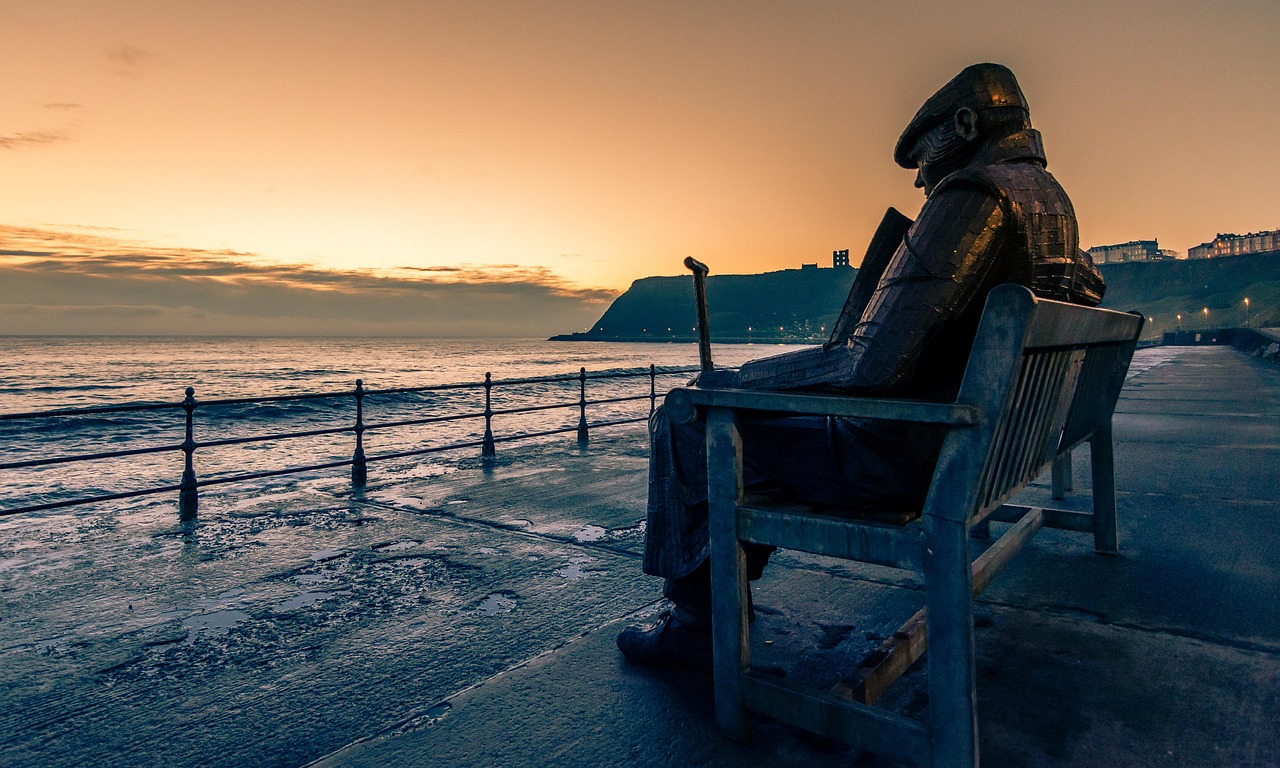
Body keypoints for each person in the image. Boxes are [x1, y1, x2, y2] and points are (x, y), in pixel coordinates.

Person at [617, 63, 1105, 666]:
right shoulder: (1054, 203)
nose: (923, 184)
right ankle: (719, 599)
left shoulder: (975, 194)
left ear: (965, 123)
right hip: (992, 446)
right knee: (730, 419)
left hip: (911, 463)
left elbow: (871, 368)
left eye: (924, 161)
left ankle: (696, 626)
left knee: (689, 419)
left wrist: (738, 383)